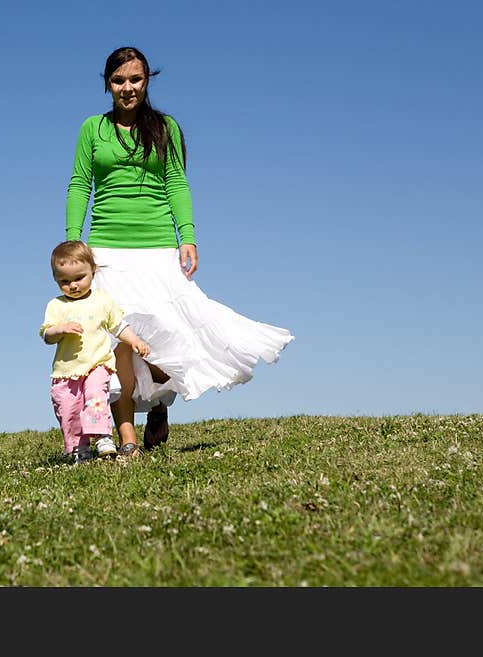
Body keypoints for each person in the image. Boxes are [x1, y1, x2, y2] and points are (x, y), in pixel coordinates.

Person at [65, 46, 294, 458]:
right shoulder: (91, 130)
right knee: (118, 342)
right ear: (107, 85)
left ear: (147, 80)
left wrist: (187, 235)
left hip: (157, 248)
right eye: (118, 81)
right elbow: (80, 184)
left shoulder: (165, 127)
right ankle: (128, 441)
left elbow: (176, 184)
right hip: (107, 250)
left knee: (165, 337)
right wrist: (73, 241)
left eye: (135, 79)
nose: (128, 88)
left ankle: (158, 405)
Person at [40, 240, 151, 463]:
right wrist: (59, 329)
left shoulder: (102, 299)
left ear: (93, 270)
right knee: (68, 409)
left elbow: (118, 326)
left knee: (95, 395)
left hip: (97, 364)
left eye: (79, 278)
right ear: (55, 279)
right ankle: (79, 449)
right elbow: (46, 335)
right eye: (64, 281)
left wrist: (135, 341)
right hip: (67, 371)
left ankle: (102, 436)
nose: (72, 285)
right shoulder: (56, 305)